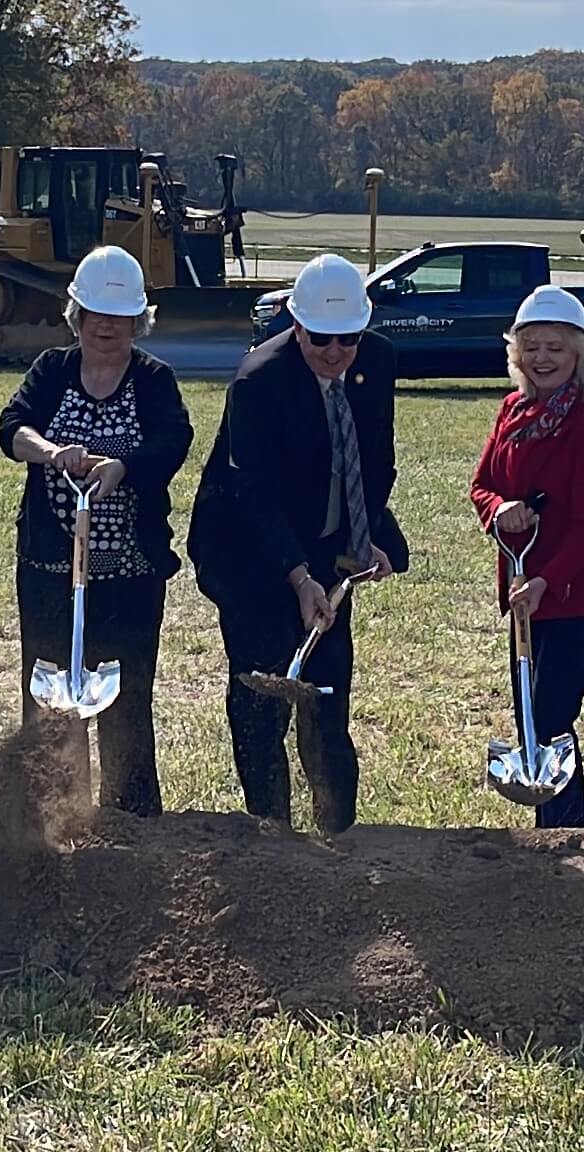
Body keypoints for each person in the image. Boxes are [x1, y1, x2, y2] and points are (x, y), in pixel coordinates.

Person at [187, 252, 408, 834]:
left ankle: (337, 835)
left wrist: (364, 539)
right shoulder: (258, 380)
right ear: (294, 321)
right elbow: (253, 492)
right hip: (248, 551)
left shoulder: (376, 361)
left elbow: (375, 459)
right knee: (264, 702)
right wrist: (299, 576)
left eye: (348, 338)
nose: (335, 352)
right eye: (320, 339)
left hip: (327, 545)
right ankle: (272, 834)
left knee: (328, 698)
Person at [0, 246, 195, 816]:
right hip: (49, 571)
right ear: (76, 317)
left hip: (129, 575)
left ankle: (128, 815)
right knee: (49, 693)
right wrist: (51, 452)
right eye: (94, 315)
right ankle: (47, 814)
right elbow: (12, 429)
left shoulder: (154, 380)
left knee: (125, 696)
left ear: (137, 322)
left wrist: (122, 466)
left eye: (119, 318)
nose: (106, 327)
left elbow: (172, 442)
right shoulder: (52, 371)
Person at [467, 286, 584, 828]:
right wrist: (500, 511)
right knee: (529, 715)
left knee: (553, 716)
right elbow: (482, 485)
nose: (542, 359)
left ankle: (564, 831)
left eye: (555, 348)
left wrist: (546, 581)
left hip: (574, 592)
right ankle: (551, 834)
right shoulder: (512, 411)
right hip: (522, 589)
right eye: (531, 347)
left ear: (580, 355)